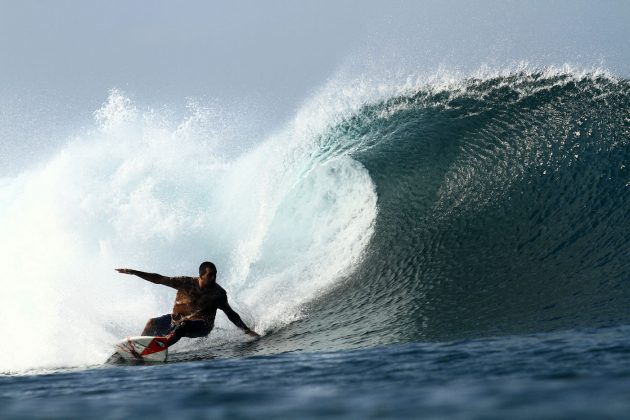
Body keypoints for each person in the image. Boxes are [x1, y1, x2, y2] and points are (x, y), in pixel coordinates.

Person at [116, 261, 259, 347]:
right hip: (177, 320)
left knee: (183, 326)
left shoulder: (218, 293)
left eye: (215, 274)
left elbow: (230, 313)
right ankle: (139, 347)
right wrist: (134, 272)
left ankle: (160, 346)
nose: (214, 278)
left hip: (202, 326)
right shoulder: (185, 283)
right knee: (151, 323)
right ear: (201, 275)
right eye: (210, 275)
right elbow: (158, 279)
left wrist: (246, 330)